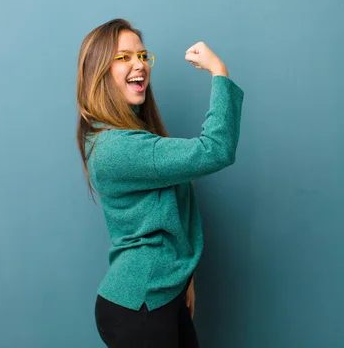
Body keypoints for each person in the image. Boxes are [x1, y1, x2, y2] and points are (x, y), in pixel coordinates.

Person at [76, 18, 244, 347]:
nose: (139, 65)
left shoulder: (125, 136)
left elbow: (165, 213)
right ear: (99, 72)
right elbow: (215, 150)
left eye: (142, 55)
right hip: (138, 305)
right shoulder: (117, 148)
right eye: (124, 57)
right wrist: (219, 71)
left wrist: (183, 277)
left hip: (160, 292)